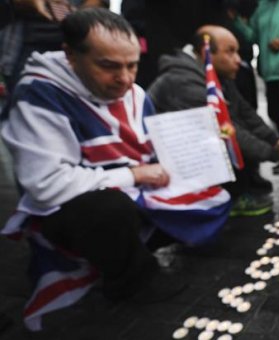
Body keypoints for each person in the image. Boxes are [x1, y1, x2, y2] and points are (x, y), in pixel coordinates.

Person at [0, 8, 238, 313]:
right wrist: (134, 175)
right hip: (74, 208)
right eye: (108, 66)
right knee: (109, 210)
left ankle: (134, 248)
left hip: (133, 191)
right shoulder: (39, 95)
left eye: (133, 66)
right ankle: (131, 280)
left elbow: (155, 151)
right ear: (71, 56)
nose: (124, 80)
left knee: (215, 178)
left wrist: (199, 152)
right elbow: (47, 185)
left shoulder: (136, 94)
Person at [149, 26, 279, 215]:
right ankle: (226, 197)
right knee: (229, 142)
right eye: (230, 52)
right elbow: (225, 130)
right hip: (170, 162)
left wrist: (274, 140)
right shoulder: (183, 81)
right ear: (206, 52)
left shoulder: (214, 73)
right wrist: (274, 154)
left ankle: (240, 187)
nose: (238, 60)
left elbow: (246, 113)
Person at [232, 0, 279, 142]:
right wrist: (236, 20)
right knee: (274, 112)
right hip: (268, 71)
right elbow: (252, 36)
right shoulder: (261, 7)